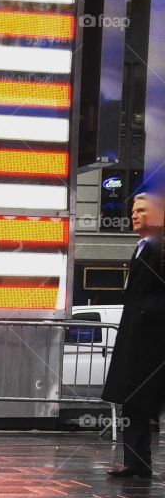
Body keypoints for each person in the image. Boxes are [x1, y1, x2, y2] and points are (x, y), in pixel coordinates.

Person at [102, 190, 165, 478]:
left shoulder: (159, 247)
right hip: (137, 337)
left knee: (140, 397)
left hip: (151, 340)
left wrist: (148, 316)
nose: (134, 215)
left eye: (141, 210)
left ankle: (138, 461)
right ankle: (137, 461)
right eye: (133, 211)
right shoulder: (142, 247)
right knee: (133, 400)